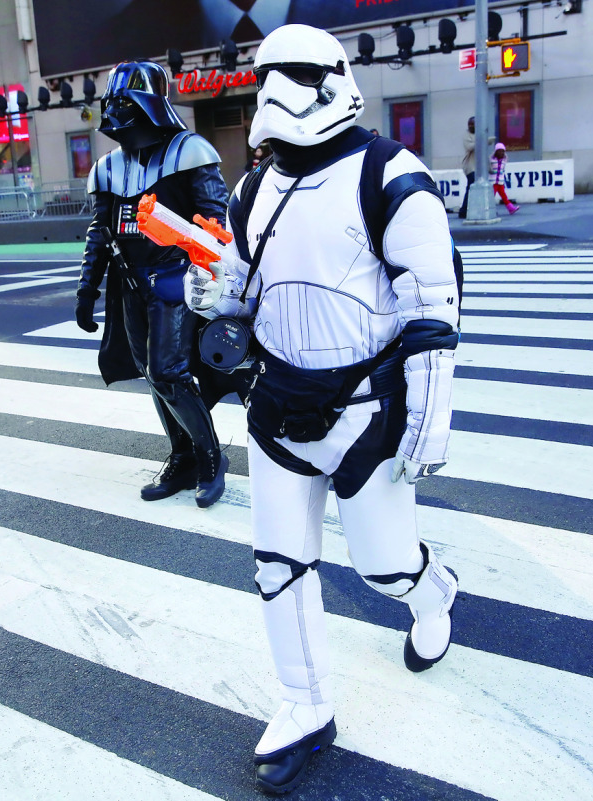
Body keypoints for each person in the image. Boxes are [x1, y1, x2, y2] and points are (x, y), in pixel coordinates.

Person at [184, 24, 460, 794]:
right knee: (278, 564)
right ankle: (303, 701)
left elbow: (434, 311)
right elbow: (242, 288)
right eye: (264, 75)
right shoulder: (251, 189)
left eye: (296, 73)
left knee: (382, 565)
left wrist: (429, 420)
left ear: (336, 78)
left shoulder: (390, 175)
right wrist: (210, 293)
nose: (275, 90)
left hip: (366, 410)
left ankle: (432, 588)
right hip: (276, 404)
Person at [75, 61, 231, 508]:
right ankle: (182, 457)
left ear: (149, 104)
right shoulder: (107, 168)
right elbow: (99, 231)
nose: (116, 112)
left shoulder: (190, 150)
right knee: (153, 376)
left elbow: (214, 221)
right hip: (131, 285)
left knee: (169, 373)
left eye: (126, 102)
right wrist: (88, 289)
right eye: (113, 103)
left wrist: (210, 274)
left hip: (177, 280)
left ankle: (209, 458)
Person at [491, 142, 519, 214]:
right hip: (493, 182)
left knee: (504, 196)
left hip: (500, 182)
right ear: (496, 152)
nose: (501, 153)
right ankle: (491, 210)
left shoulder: (504, 160)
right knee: (491, 197)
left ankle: (510, 208)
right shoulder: (492, 160)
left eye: (503, 151)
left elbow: (503, 170)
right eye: (499, 151)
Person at [458, 116, 475, 219]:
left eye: (473, 124)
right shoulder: (466, 135)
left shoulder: (478, 135)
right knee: (470, 188)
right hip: (470, 166)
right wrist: (481, 140)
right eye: (470, 124)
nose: (471, 126)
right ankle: (463, 211)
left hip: (478, 167)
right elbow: (469, 147)